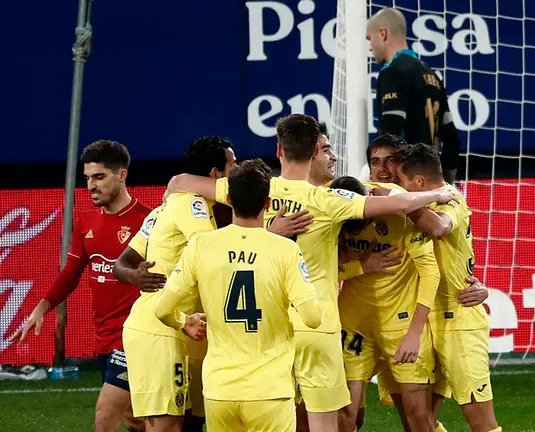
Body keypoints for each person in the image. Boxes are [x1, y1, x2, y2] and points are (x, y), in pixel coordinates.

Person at [164, 113, 456, 432]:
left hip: (273, 327)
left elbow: (180, 182)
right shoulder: (326, 200)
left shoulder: (257, 188)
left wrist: (170, 193)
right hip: (317, 324)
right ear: (315, 152)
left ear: (279, 149)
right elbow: (400, 206)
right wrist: (437, 194)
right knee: (322, 423)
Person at [154, 159, 323, 432]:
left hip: (220, 389)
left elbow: (162, 310)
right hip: (270, 388)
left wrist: (183, 321)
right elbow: (313, 318)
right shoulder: (284, 250)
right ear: (267, 203)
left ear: (229, 199)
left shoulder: (202, 245)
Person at [12, 140, 150, 432]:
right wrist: (42, 307)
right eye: (87, 178)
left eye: (99, 177)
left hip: (135, 336)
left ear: (122, 175)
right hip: (104, 335)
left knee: (104, 417)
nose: (91, 185)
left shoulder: (148, 221)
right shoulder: (86, 220)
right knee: (136, 420)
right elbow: (72, 272)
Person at [114, 136, 236, 432]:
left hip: (184, 326)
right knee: (166, 425)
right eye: (233, 164)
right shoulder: (192, 205)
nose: (239, 168)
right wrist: (270, 235)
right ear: (215, 174)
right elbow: (208, 256)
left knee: (190, 422)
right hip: (161, 327)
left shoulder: (165, 208)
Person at [394, 143, 500, 432]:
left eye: (401, 182)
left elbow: (440, 227)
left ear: (418, 182)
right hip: (428, 321)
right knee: (423, 419)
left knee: (480, 421)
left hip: (459, 320)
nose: (398, 187)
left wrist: (400, 200)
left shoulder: (450, 199)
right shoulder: (424, 201)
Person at [333, 176, 439, 432]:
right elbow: (320, 271)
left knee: (417, 416)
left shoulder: (402, 212)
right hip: (353, 325)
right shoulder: (330, 205)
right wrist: (361, 266)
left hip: (400, 326)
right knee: (346, 416)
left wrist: (414, 333)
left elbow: (430, 272)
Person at [367, 8, 462, 184]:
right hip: (432, 182)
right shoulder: (430, 74)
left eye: (369, 38)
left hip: (407, 185)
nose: (369, 46)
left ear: (382, 33)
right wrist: (446, 185)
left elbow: (391, 133)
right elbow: (452, 139)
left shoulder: (393, 71)